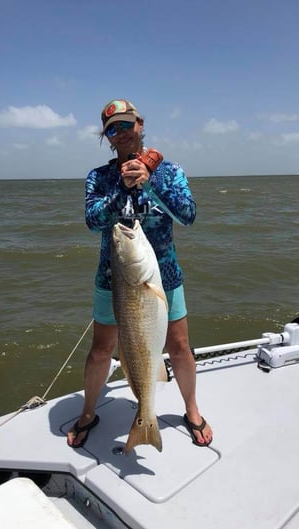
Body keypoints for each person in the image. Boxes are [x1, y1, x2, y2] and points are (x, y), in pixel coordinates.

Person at [67, 99, 213, 449]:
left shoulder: (168, 171)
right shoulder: (99, 177)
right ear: (107, 137)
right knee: (102, 349)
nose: (120, 133)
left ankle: (191, 410)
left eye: (125, 124)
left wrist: (149, 183)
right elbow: (92, 220)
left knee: (179, 347)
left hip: (163, 277)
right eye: (112, 129)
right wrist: (122, 188)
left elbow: (188, 215)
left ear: (140, 124)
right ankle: (89, 412)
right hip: (114, 280)